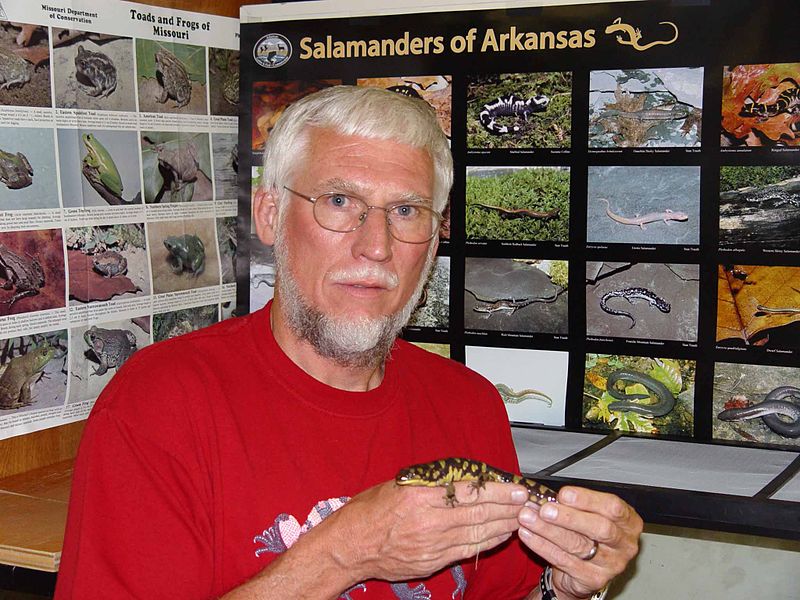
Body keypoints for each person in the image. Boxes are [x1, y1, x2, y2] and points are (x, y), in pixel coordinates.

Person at [56, 85, 642, 599]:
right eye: (340, 202)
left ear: (434, 241)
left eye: (407, 210)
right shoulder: (162, 403)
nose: (377, 247)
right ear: (270, 215)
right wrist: (342, 552)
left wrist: (564, 586)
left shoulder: (469, 403)